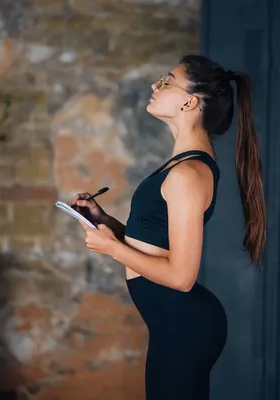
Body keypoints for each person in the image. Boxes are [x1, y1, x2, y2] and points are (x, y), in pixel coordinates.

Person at [69, 54, 267, 400]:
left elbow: (181, 277)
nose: (155, 85)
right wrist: (105, 222)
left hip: (185, 327)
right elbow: (154, 236)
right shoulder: (180, 165)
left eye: (166, 81)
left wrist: (112, 248)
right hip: (171, 324)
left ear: (190, 102)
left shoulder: (187, 175)